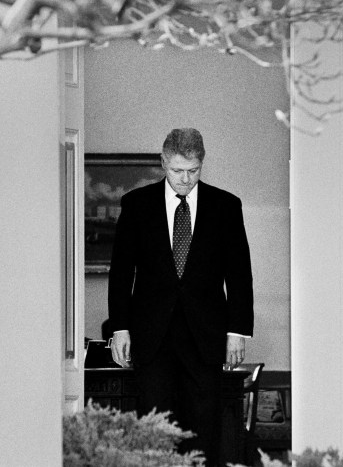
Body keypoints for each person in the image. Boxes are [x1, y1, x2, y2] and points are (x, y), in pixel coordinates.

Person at [108, 128, 254, 466]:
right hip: (152, 337)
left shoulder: (226, 206)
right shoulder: (137, 205)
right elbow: (121, 273)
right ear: (163, 163)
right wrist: (120, 328)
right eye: (177, 171)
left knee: (204, 431)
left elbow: (239, 273)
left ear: (202, 164)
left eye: (193, 170)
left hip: (205, 337)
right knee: (155, 430)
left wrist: (237, 331)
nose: (185, 179)